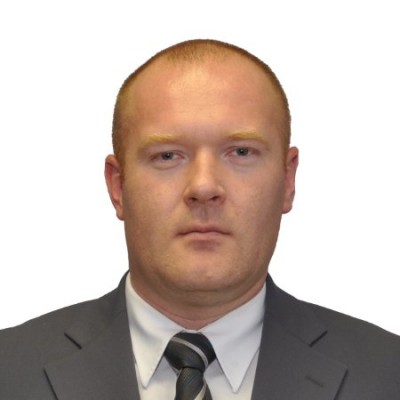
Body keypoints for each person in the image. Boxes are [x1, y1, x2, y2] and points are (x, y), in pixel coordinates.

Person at [0, 39, 399, 400]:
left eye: (241, 152)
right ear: (118, 186)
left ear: (287, 180)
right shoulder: (9, 372)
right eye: (167, 156)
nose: (204, 187)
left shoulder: (388, 374)